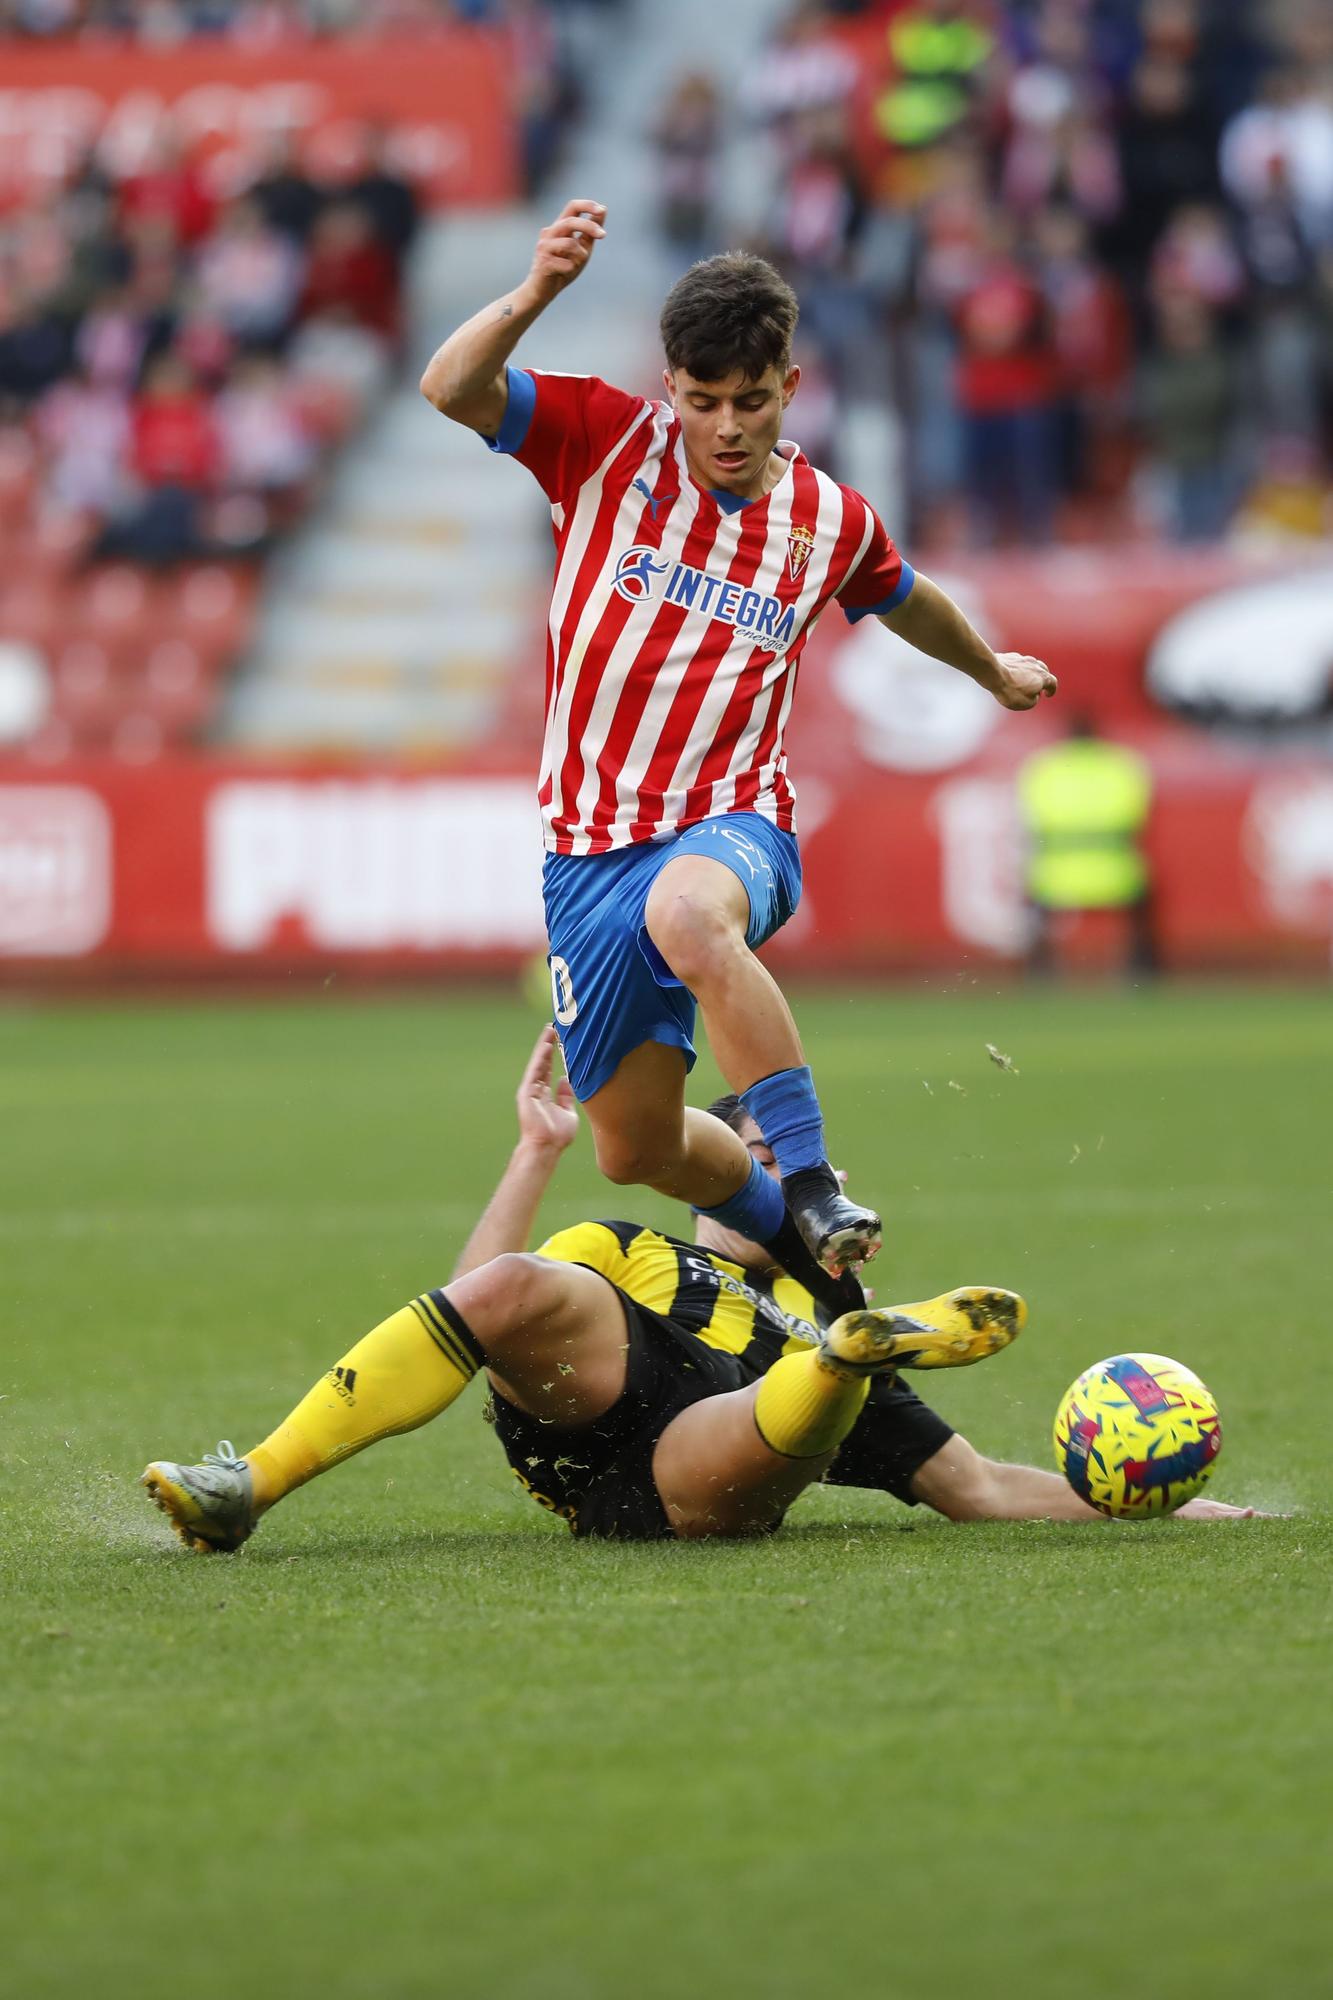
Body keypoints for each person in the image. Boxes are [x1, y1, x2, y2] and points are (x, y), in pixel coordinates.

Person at [416, 198, 1058, 1318]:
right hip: (585, 851)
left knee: (688, 919)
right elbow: (449, 387)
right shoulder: (604, 441)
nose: (725, 425)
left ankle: (811, 1183)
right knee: (633, 1148)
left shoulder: (825, 518)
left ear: (789, 389)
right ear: (670, 386)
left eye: (749, 401)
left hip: (731, 817)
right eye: (702, 399)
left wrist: (991, 671)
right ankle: (803, 1251)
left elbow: (905, 599)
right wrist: (536, 295)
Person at [140, 1028, 1255, 1552]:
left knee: (798, 1383)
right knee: (528, 1278)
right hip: (585, 1404)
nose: (803, 1176)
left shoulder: (818, 1302)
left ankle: (840, 1369)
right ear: (710, 1164)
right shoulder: (639, 1247)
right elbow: (473, 1303)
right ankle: (252, 1482)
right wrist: (536, 1151)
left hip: (684, 1470)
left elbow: (983, 1488)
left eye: (807, 1165)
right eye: (764, 1154)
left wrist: (1172, 1501)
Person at [1018, 713, 1156, 978]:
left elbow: (1030, 819)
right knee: (1144, 905)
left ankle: (1039, 973)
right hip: (1115, 872)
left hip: (1055, 876)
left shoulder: (1045, 768)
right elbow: (1138, 819)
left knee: (1032, 912)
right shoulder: (1121, 766)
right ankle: (1141, 971)